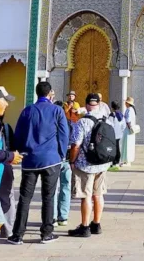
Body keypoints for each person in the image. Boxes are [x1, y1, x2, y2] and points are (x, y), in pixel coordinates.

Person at [8, 81, 69, 245]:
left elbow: (19, 135)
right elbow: (63, 135)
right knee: (48, 197)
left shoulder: (27, 110)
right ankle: (46, 233)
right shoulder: (57, 110)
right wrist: (62, 154)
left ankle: (18, 234)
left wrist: (21, 151)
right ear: (50, 93)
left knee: (24, 198)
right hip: (51, 159)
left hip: (30, 160)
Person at [68, 93, 114, 238]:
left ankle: (85, 226)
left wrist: (72, 160)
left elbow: (76, 144)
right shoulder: (106, 119)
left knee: (86, 196)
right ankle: (96, 223)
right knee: (98, 194)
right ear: (99, 104)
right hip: (102, 163)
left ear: (86, 105)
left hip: (85, 164)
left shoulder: (82, 122)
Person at [0, 87, 22, 238]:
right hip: (1, 167)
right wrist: (11, 156)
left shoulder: (3, 126)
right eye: (5, 101)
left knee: (6, 200)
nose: (7, 105)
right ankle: (8, 230)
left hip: (2, 169)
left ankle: (8, 229)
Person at [52, 101, 73, 227]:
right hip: (66, 158)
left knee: (53, 188)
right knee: (66, 187)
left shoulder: (50, 125)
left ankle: (53, 216)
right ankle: (63, 217)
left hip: (54, 159)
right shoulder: (69, 124)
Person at [107, 101, 125, 170]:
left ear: (112, 107)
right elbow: (123, 125)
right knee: (118, 148)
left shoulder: (112, 115)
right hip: (119, 134)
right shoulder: (121, 114)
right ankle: (118, 161)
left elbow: (109, 124)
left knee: (113, 148)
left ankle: (114, 162)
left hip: (113, 134)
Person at [120, 97, 137, 167]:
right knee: (127, 145)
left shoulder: (129, 110)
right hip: (129, 129)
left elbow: (128, 120)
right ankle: (125, 160)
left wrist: (129, 127)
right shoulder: (131, 109)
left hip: (128, 129)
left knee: (127, 145)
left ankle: (127, 161)